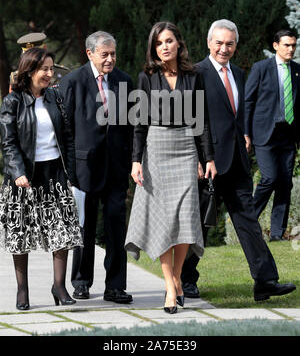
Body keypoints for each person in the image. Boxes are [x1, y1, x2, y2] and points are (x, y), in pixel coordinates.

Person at [181, 19, 296, 302]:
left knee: (248, 222)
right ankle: (185, 279)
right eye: (219, 43)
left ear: (236, 45)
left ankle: (265, 281)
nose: (224, 48)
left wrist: (244, 133)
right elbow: (192, 119)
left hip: (236, 161)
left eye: (229, 43)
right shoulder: (195, 73)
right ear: (209, 43)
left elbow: (239, 110)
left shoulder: (238, 73)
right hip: (208, 162)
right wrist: (198, 157)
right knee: (201, 225)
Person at [125, 21, 217, 313]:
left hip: (186, 149)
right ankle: (169, 287)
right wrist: (136, 160)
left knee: (187, 220)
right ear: (154, 48)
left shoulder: (194, 75)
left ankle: (177, 277)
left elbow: (201, 120)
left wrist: (208, 158)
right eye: (158, 43)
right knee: (164, 220)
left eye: (168, 41)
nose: (164, 47)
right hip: (157, 149)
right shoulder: (146, 77)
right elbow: (139, 123)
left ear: (179, 43)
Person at [0, 47, 82, 311]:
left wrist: (70, 173)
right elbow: (8, 141)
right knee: (21, 234)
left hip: (55, 174)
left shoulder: (55, 97)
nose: (49, 74)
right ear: (29, 70)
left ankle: (59, 286)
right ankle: (22, 291)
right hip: (24, 177)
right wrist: (18, 172)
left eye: (51, 68)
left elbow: (67, 137)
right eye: (44, 69)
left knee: (63, 232)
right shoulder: (13, 101)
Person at [59, 31, 134, 304]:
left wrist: (131, 160)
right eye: (105, 54)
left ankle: (115, 286)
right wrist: (67, 170)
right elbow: (64, 130)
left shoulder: (124, 81)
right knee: (83, 227)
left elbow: (131, 126)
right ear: (89, 53)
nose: (110, 59)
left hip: (116, 167)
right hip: (83, 169)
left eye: (113, 53)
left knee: (116, 227)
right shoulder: (72, 82)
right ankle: (81, 282)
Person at [245, 29, 300, 241]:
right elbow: (248, 101)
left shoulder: (297, 71)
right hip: (264, 134)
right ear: (276, 46)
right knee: (269, 178)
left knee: (285, 183)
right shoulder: (261, 68)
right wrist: (246, 133)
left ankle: (277, 234)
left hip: (288, 135)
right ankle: (249, 222)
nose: (291, 49)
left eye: (294, 45)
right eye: (287, 45)